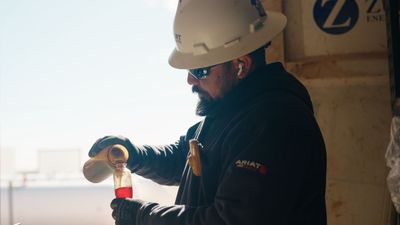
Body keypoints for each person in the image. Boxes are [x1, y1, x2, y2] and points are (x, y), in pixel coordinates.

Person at [88, 0, 327, 224]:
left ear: (241, 64)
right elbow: (186, 158)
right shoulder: (231, 110)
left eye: (199, 70)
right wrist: (136, 155)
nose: (190, 80)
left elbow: (228, 220)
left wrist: (143, 216)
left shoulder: (276, 123)